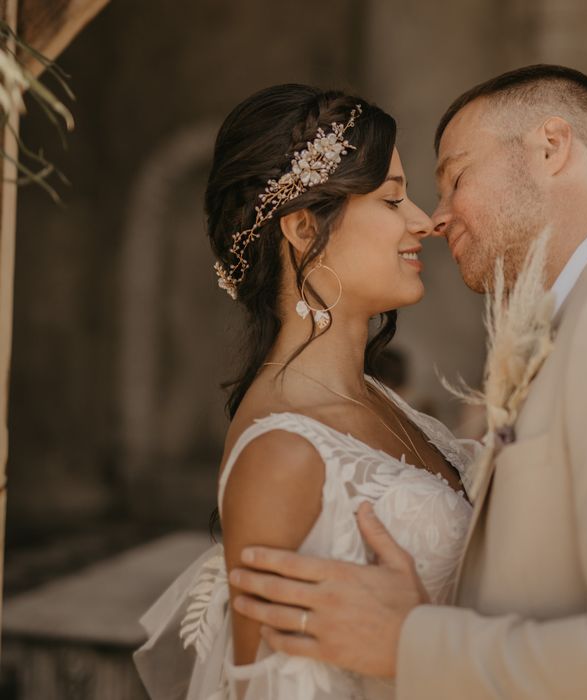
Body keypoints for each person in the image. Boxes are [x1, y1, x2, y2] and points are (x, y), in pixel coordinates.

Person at [231, 65, 587, 699]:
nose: (436, 217)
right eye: (398, 197)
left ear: (551, 147)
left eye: (455, 177)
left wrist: (410, 641)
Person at [133, 85, 481, 699]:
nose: (423, 221)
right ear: (300, 227)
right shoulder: (282, 455)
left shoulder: (378, 400)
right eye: (393, 198)